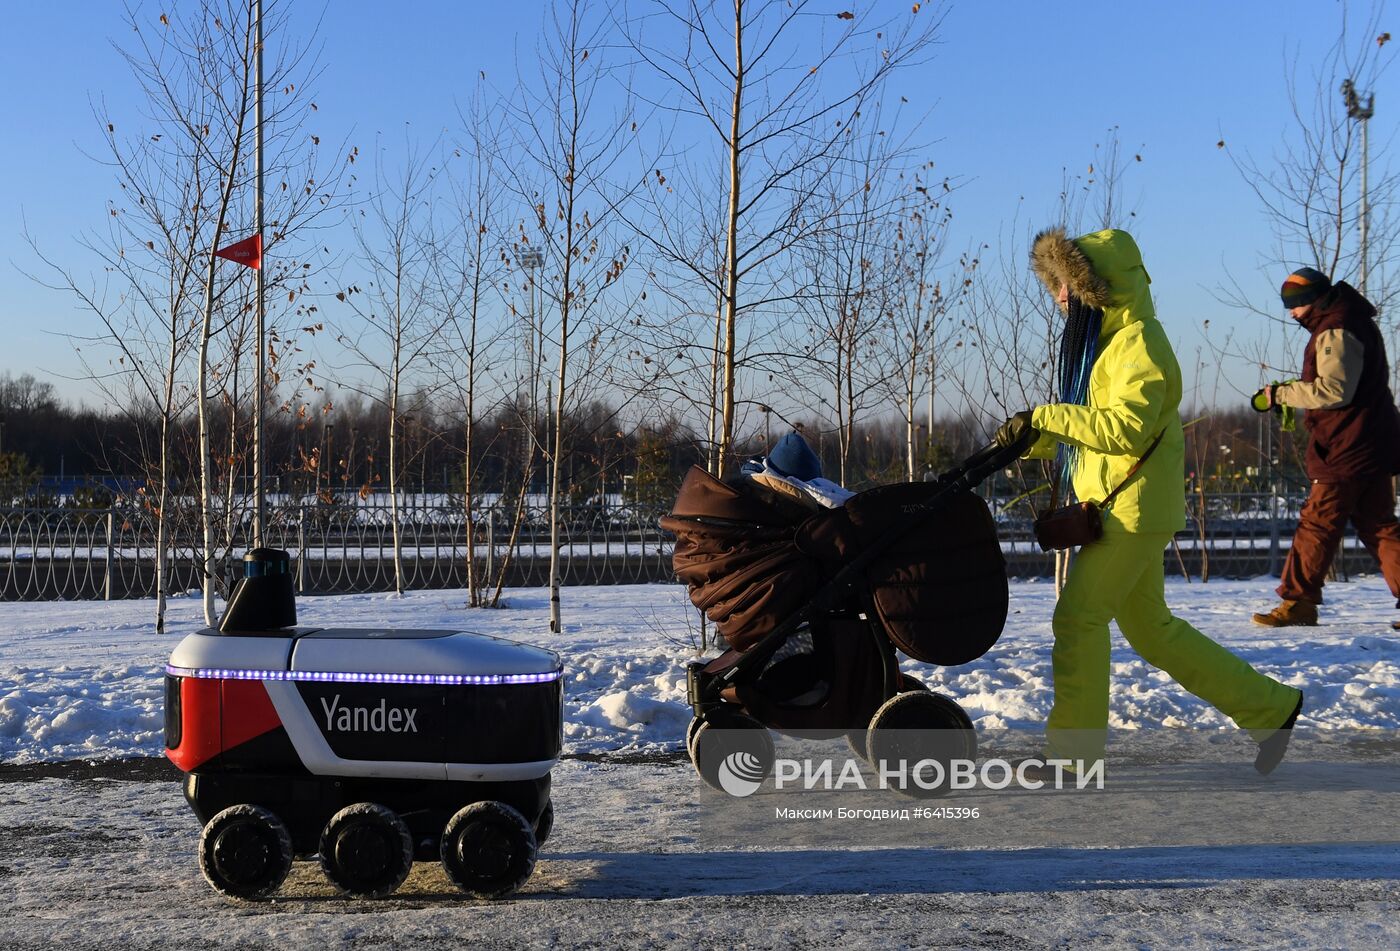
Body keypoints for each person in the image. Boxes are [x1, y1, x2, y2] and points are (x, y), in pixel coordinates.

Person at [995, 227, 1304, 776]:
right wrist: (1029, 437)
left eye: (1067, 284)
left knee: (1078, 620)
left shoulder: (1140, 341)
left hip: (1129, 512)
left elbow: (1128, 429)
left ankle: (1072, 761)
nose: (1060, 297)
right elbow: (1094, 431)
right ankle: (1271, 708)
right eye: (1057, 286)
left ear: (1101, 285)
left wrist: (1045, 416)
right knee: (1151, 629)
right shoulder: (1108, 346)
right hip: (1124, 506)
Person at [1249, 267, 1400, 631]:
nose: (1291, 313)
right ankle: (1298, 601)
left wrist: (1280, 394)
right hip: (1370, 442)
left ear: (1311, 301)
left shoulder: (1337, 329)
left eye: (1294, 306)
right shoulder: (1349, 321)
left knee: (1317, 524)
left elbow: (1333, 391)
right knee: (1380, 526)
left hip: (1346, 446)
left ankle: (1298, 603)